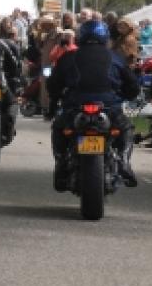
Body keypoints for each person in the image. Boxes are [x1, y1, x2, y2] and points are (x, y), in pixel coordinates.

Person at [47, 20, 140, 191]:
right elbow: (133, 84)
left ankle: (61, 163)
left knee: (59, 127)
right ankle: (124, 161)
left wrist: (56, 98)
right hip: (109, 106)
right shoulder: (115, 57)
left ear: (81, 36)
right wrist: (126, 95)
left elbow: (53, 84)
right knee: (126, 128)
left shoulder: (68, 57)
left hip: (76, 105)